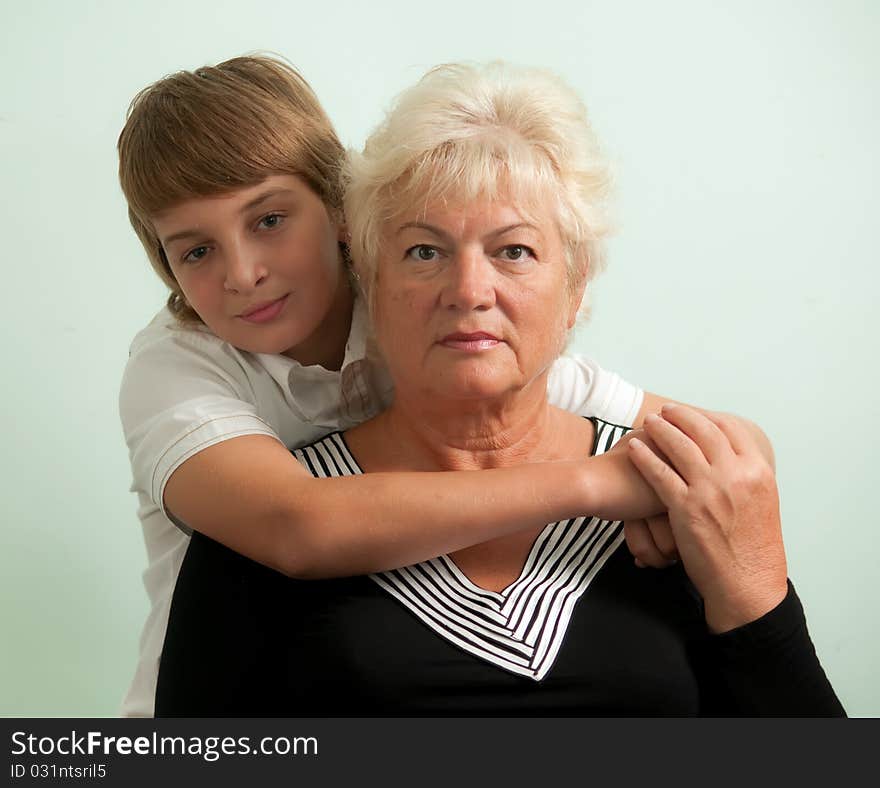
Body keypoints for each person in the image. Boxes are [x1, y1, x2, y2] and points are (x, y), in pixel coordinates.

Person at [152, 61, 844, 716]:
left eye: (514, 251)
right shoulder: (250, 527)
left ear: (575, 290)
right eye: (424, 252)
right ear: (370, 278)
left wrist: (733, 534)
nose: (469, 292)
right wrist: (603, 484)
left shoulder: (681, 500)